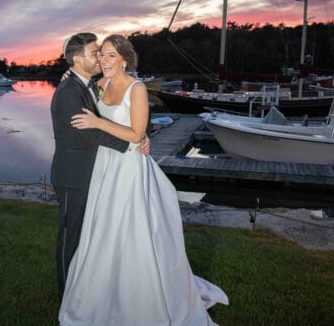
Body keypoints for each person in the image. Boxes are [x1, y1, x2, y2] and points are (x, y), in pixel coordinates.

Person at [59, 34, 228, 325]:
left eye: (112, 55)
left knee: (129, 227)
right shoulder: (100, 85)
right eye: (102, 55)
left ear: (125, 59)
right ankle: (102, 293)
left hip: (128, 169)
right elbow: (78, 86)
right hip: (104, 165)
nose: (105, 60)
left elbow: (136, 134)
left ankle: (140, 293)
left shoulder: (136, 89)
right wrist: (68, 75)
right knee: (103, 229)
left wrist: (100, 122)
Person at [50, 32, 149, 296]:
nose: (100, 58)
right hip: (74, 176)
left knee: (96, 235)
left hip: (98, 172)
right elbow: (89, 131)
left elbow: (124, 120)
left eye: (105, 54)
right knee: (70, 238)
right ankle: (66, 297)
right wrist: (132, 143)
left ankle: (90, 289)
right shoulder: (71, 90)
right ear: (77, 59)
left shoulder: (89, 85)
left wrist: (139, 134)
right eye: (95, 53)